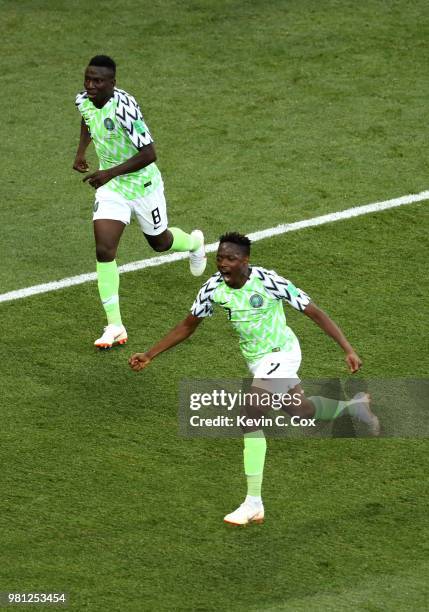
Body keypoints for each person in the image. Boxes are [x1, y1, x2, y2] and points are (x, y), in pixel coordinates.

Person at [129, 232, 380, 526]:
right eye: (220, 257)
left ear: (245, 261)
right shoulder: (213, 289)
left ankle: (253, 502)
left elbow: (314, 312)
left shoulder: (269, 282)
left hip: (282, 353)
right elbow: (188, 325)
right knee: (301, 411)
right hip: (258, 362)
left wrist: (347, 349)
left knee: (249, 417)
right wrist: (150, 354)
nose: (223, 264)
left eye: (231, 259)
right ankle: (354, 407)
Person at [73, 55, 206, 348]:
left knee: (160, 242)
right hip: (113, 190)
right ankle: (115, 326)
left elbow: (149, 154)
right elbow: (87, 120)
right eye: (88, 79)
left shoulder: (125, 108)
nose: (91, 85)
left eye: (98, 81)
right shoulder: (83, 99)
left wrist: (108, 172)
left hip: (143, 185)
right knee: (104, 249)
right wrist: (82, 152)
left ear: (112, 83)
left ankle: (195, 243)